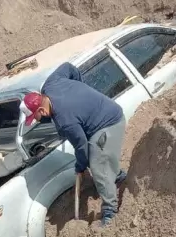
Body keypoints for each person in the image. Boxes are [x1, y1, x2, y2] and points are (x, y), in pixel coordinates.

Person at [21, 63, 127, 227]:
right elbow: (68, 67)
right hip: (107, 112)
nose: (37, 121)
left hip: (109, 123)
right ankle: (117, 176)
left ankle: (110, 212)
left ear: (41, 111)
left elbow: (81, 146)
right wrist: (80, 87)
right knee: (97, 154)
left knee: (97, 163)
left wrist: (80, 167)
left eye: (36, 118)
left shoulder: (65, 120)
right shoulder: (50, 84)